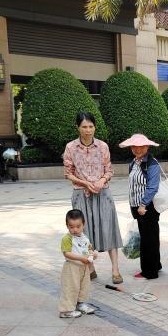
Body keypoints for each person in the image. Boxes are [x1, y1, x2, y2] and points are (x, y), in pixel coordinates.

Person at [63, 111, 123, 284]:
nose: (88, 130)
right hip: (81, 194)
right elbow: (68, 173)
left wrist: (101, 181)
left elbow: (109, 170)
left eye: (91, 126)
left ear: (95, 127)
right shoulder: (70, 147)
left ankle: (115, 270)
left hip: (103, 193)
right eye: (84, 127)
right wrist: (85, 183)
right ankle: (90, 268)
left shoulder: (103, 146)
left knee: (109, 228)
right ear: (78, 127)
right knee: (82, 232)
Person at [121, 134, 162, 279]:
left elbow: (153, 187)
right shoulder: (134, 162)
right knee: (149, 236)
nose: (138, 149)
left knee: (148, 240)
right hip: (136, 206)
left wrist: (143, 204)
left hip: (147, 207)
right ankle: (156, 265)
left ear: (147, 147)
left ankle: (149, 272)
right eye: (134, 146)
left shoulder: (152, 164)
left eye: (141, 146)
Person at [58, 209, 98, 318]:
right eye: (71, 227)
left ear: (83, 225)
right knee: (71, 287)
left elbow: (89, 249)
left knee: (84, 286)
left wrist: (93, 254)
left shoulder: (84, 237)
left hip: (83, 267)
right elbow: (66, 253)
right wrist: (81, 258)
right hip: (72, 267)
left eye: (78, 226)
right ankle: (66, 310)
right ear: (67, 225)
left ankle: (80, 304)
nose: (75, 230)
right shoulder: (67, 238)